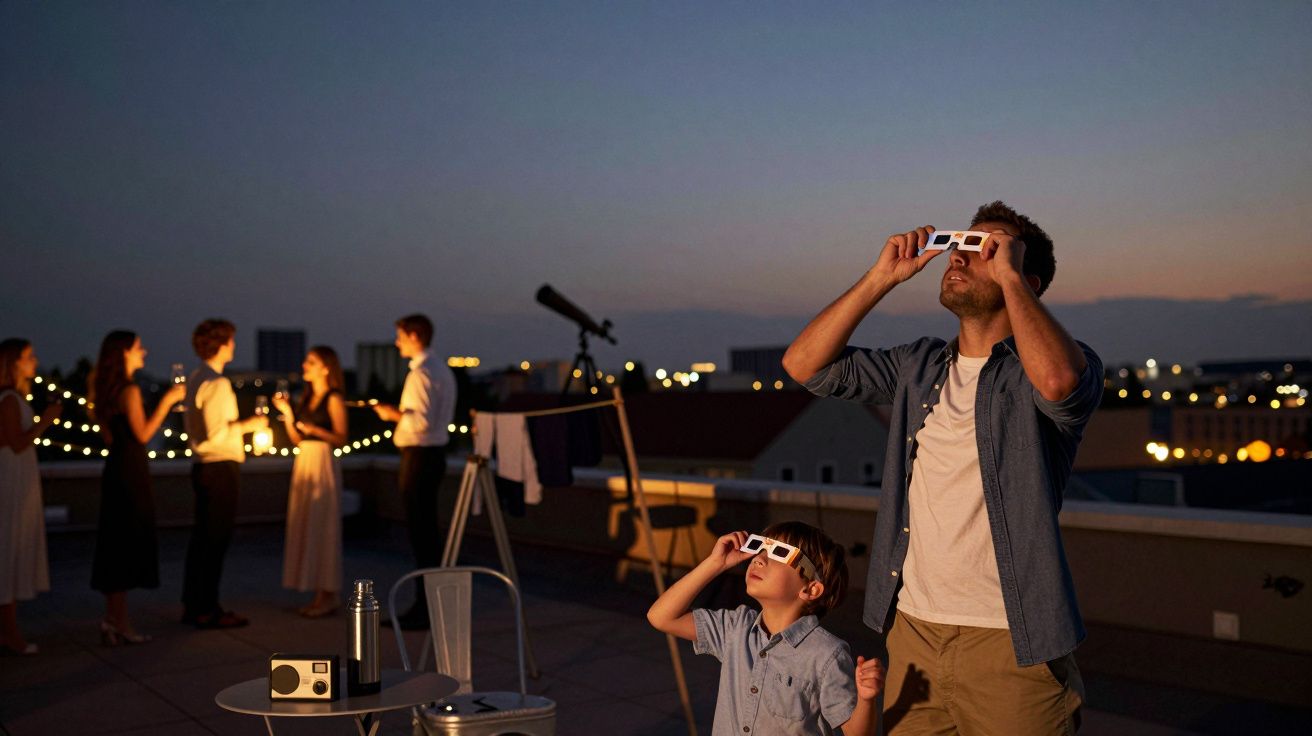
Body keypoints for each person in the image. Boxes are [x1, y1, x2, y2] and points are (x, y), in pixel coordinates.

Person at [782, 202, 1101, 734]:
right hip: (912, 633)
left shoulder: (1059, 363)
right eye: (960, 244)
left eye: (986, 248)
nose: (960, 254)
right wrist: (882, 277)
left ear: (1026, 274)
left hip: (1013, 644)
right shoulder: (919, 364)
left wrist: (1010, 275)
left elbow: (1059, 385)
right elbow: (804, 365)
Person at [648, 521, 884, 736]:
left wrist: (866, 699)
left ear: (810, 590)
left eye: (779, 554)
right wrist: (715, 563)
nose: (758, 559)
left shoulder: (827, 654)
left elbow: (857, 733)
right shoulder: (735, 628)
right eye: (760, 548)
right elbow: (661, 617)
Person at [88, 331, 186, 645]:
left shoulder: (106, 390)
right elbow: (143, 434)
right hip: (130, 471)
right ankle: (122, 624)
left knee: (114, 542)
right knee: (125, 543)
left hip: (115, 468)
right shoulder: (129, 390)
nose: (144, 351)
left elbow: (109, 436)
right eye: (139, 347)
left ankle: (112, 619)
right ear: (125, 353)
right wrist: (168, 401)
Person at [181, 319, 268, 629]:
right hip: (219, 468)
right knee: (214, 541)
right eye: (231, 340)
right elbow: (216, 435)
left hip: (204, 467)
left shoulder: (196, 378)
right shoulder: (216, 383)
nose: (234, 346)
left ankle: (195, 604)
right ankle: (206, 608)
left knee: (203, 540)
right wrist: (251, 426)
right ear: (220, 344)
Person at [372, 314, 456, 629]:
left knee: (422, 535)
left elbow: (420, 422)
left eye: (400, 336)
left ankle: (425, 610)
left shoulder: (421, 373)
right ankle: (431, 606)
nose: (396, 343)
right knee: (427, 534)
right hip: (433, 456)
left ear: (413, 336)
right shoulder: (441, 370)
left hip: (420, 456)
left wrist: (392, 414)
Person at [273, 346, 348, 618]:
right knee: (306, 523)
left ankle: (328, 595)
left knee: (322, 524)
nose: (305, 364)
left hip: (322, 462)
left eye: (311, 361)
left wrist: (316, 430)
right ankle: (318, 592)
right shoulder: (306, 397)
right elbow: (296, 440)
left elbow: (341, 437)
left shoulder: (333, 397)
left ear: (326, 367)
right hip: (304, 460)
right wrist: (288, 415)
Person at [0, 338, 62, 655]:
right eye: (28, 357)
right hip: (10, 479)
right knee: (7, 550)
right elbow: (17, 443)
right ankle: (9, 633)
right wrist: (46, 421)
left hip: (18, 477)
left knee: (10, 550)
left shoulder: (15, 398)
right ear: (12, 364)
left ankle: (8, 630)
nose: (34, 361)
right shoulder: (8, 399)